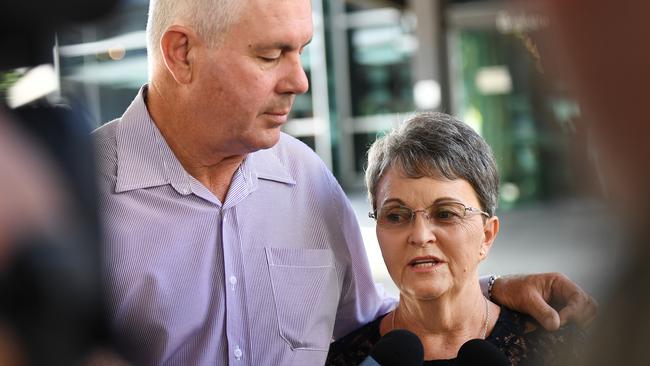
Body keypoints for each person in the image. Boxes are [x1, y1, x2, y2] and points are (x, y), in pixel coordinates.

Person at [93, 0, 596, 364]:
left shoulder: (305, 178)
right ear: (181, 54)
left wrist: (488, 292)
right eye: (271, 55)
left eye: (303, 51)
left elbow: (367, 321)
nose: (300, 80)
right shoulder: (65, 200)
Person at [326, 112, 585, 365]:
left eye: (446, 213)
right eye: (395, 216)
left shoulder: (561, 349)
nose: (420, 236)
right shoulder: (346, 359)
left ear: (486, 236)